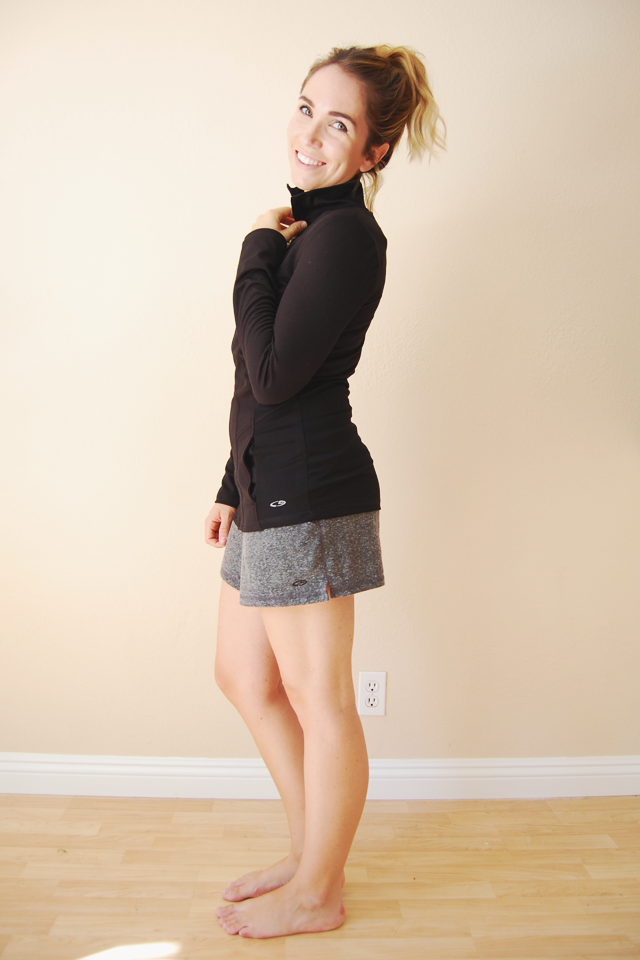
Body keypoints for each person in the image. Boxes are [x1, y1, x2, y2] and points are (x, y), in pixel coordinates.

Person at [205, 44, 445, 939]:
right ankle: (313, 854)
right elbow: (258, 380)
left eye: (337, 123)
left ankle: (318, 892)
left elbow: (273, 375)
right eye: (306, 107)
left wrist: (254, 248)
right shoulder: (310, 232)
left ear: (373, 151)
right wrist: (228, 483)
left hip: (310, 494)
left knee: (321, 699)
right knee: (242, 675)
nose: (309, 133)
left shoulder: (343, 237)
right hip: (266, 488)